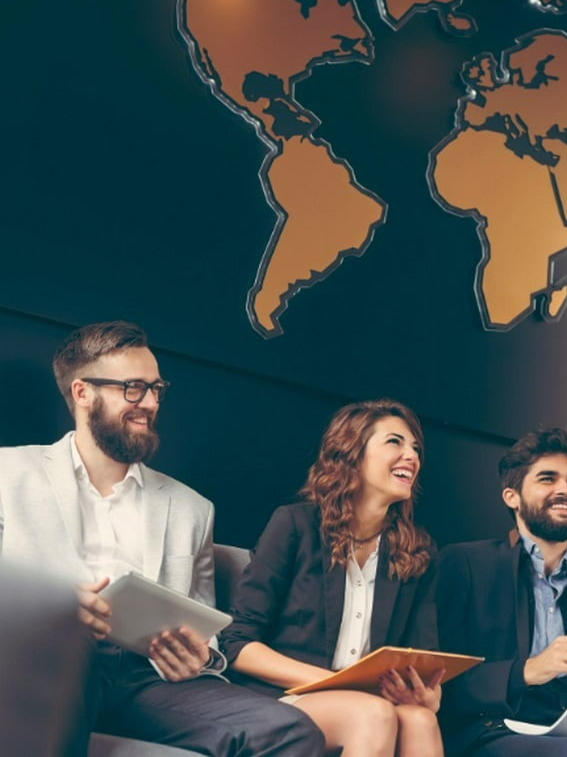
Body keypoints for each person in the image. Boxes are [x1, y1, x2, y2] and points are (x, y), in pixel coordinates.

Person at [0, 321, 324, 757]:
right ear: (82, 393)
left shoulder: (191, 508)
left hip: (145, 680)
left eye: (156, 389)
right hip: (43, 662)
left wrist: (201, 656)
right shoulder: (8, 474)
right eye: (133, 388)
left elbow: (203, 625)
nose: (150, 403)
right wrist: (48, 606)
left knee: (290, 731)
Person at [221, 399, 444, 757]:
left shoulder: (419, 549)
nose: (412, 456)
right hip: (281, 697)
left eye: (415, 448)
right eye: (395, 442)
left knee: (421, 719)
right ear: (352, 453)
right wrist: (333, 684)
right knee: (374, 714)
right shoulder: (294, 524)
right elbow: (236, 644)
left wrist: (427, 694)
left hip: (368, 701)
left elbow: (421, 656)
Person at [436, 427, 567, 757]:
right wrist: (527, 671)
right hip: (493, 732)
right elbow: (445, 683)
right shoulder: (465, 564)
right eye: (548, 479)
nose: (565, 489)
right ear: (512, 496)